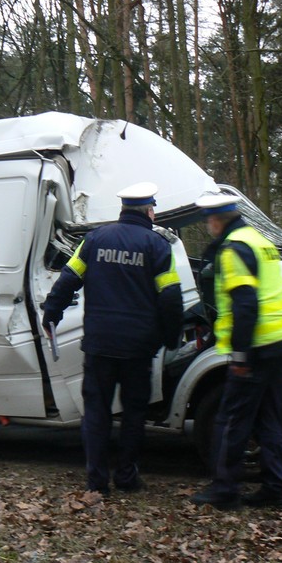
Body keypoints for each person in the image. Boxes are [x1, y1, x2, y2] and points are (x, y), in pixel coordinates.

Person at [42, 181, 184, 495]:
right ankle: (126, 478)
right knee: (134, 414)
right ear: (149, 211)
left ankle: (96, 483)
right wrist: (171, 337)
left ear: (122, 210)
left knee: (96, 413)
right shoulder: (157, 246)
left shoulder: (94, 240)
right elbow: (171, 297)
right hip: (138, 349)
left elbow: (69, 279)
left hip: (99, 345)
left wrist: (51, 313)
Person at [189, 193, 282, 510]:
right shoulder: (258, 240)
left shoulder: (233, 249)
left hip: (257, 346)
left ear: (216, 220)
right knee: (270, 418)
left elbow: (245, 304)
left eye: (209, 219)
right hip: (280, 340)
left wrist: (240, 355)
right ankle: (277, 489)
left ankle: (224, 490)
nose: (208, 225)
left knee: (231, 419)